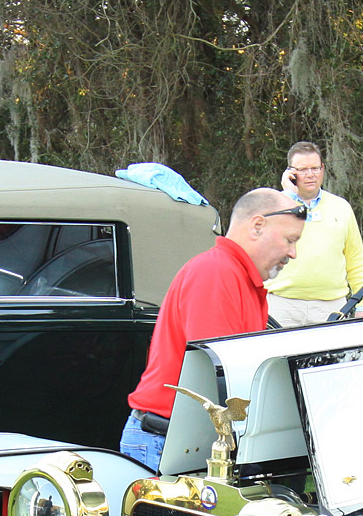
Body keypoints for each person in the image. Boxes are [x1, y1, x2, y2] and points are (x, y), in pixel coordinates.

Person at [120, 188, 307, 469]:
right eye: (289, 240)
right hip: (167, 443)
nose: (292, 253)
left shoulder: (239, 277)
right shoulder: (216, 273)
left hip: (184, 438)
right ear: (257, 226)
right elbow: (218, 379)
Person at [267, 141, 363, 327]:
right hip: (282, 306)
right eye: (303, 169)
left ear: (322, 169)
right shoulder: (274, 205)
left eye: (315, 168)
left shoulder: (341, 207)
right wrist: (289, 197)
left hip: (332, 307)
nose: (310, 175)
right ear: (290, 173)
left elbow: (356, 260)